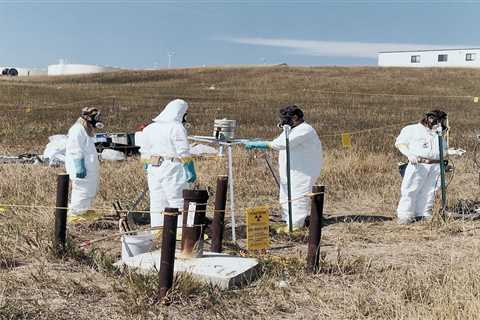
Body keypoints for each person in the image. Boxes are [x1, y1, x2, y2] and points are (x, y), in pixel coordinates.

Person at [244, 105, 323, 231]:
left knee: (298, 197)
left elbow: (280, 144)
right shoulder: (291, 129)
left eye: (285, 118)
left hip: (303, 171)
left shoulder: (304, 130)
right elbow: (279, 140)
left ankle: (296, 226)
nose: (282, 121)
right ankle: (288, 221)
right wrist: (263, 142)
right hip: (292, 170)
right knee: (285, 196)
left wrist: (263, 144)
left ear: (295, 117)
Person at [140, 99, 197, 231]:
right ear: (180, 113)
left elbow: (144, 151)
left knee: (157, 201)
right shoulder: (176, 127)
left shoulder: (149, 128)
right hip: (173, 167)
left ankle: (158, 231)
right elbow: (183, 151)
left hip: (154, 168)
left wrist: (146, 165)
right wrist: (190, 169)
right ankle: (180, 231)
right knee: (177, 200)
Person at [395, 110, 448, 224]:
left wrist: (451, 153)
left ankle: (423, 213)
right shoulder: (413, 129)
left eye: (442, 121)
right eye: (437, 120)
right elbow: (400, 143)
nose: (440, 123)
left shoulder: (438, 134)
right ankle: (405, 215)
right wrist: (409, 155)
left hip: (436, 166)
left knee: (430, 191)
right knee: (411, 189)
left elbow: (442, 150)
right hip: (419, 164)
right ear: (429, 119)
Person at [65, 107, 104, 223]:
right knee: (82, 189)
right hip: (81, 167)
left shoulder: (84, 129)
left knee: (89, 189)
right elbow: (75, 148)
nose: (98, 120)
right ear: (88, 117)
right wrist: (79, 165)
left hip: (89, 167)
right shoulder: (77, 129)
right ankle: (75, 214)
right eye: (96, 117)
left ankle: (83, 210)